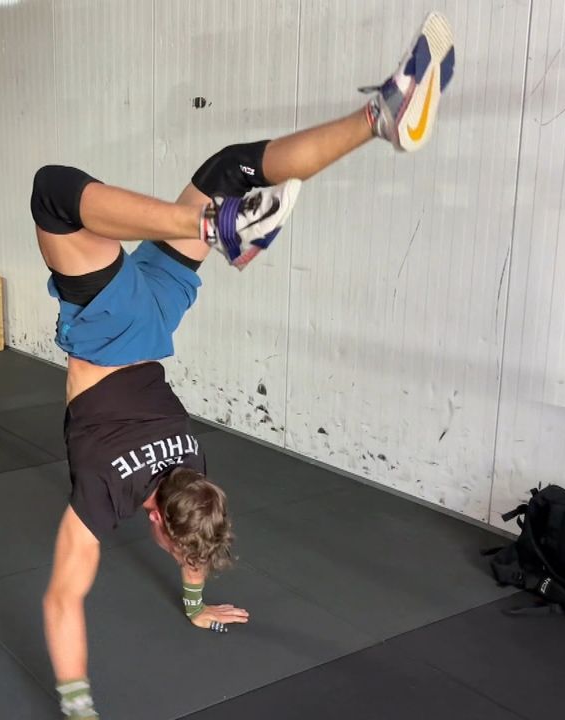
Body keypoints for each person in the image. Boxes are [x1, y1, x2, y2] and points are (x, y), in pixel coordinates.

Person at [34, 14, 454, 719]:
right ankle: (215, 227)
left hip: (162, 313)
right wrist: (80, 709)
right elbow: (61, 599)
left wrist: (197, 602)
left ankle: (376, 118)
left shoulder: (197, 470)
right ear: (161, 528)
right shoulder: (106, 497)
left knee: (228, 168)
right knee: (53, 190)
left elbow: (199, 537)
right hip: (109, 328)